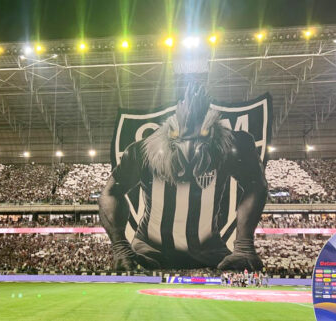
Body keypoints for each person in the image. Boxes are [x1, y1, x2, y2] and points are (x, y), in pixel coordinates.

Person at [99, 82, 268, 271]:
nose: (189, 147)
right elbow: (111, 192)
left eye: (201, 137)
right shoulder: (142, 152)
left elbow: (255, 184)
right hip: (149, 249)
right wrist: (120, 246)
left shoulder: (234, 147)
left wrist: (244, 245)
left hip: (210, 251)